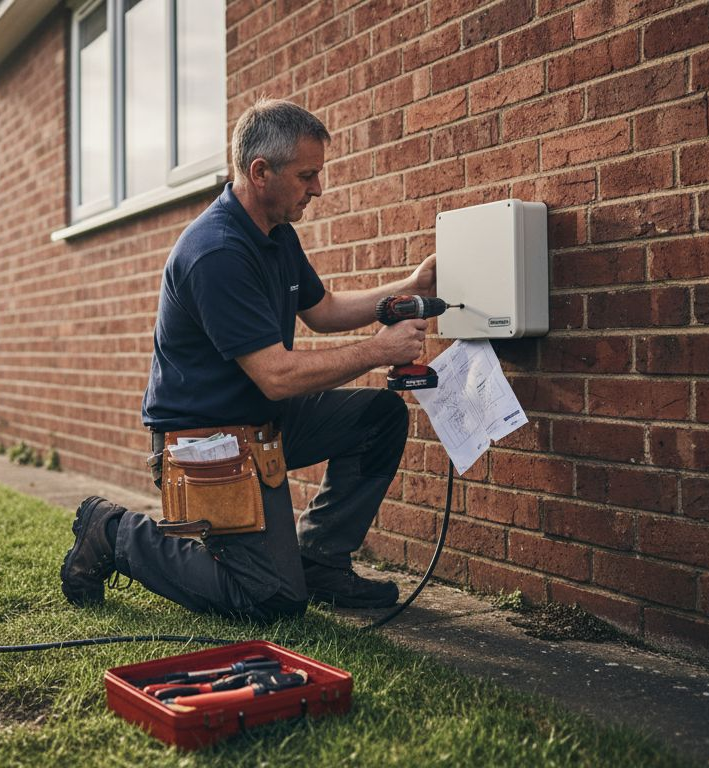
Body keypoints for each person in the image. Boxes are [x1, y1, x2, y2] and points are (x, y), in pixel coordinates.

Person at [60, 98, 436, 621]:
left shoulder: (276, 234)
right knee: (270, 599)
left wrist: (409, 286)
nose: (318, 189)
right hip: (206, 443)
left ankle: (321, 560)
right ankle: (113, 531)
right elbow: (278, 376)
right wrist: (381, 349)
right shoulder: (216, 253)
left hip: (262, 422)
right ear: (260, 172)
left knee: (378, 417)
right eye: (308, 175)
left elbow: (322, 311)